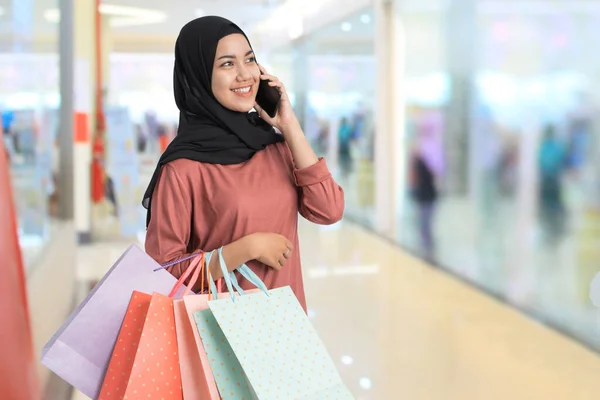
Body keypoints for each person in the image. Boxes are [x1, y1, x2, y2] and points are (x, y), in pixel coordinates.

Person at [143, 16, 345, 312]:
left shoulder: (275, 147)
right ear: (199, 76)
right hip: (218, 338)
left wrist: (289, 126)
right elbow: (163, 270)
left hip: (286, 327)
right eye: (227, 64)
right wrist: (246, 249)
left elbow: (329, 210)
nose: (244, 75)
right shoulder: (183, 168)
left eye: (249, 61)